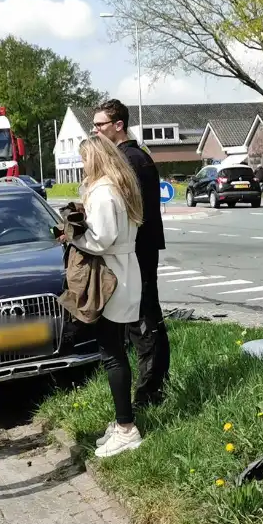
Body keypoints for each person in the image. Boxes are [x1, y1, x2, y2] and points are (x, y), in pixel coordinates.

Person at [91, 100, 170, 413]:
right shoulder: (130, 157)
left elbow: (127, 212)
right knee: (138, 317)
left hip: (138, 250)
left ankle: (151, 391)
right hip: (134, 250)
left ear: (118, 125)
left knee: (145, 318)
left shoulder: (131, 160)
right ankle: (146, 387)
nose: (96, 131)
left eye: (101, 125)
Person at [71, 135, 146, 458]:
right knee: (114, 348)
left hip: (110, 276)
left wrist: (72, 236)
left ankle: (127, 428)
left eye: (84, 159)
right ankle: (122, 423)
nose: (81, 166)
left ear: (95, 160)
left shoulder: (103, 192)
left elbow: (100, 240)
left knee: (111, 353)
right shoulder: (122, 187)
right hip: (124, 271)